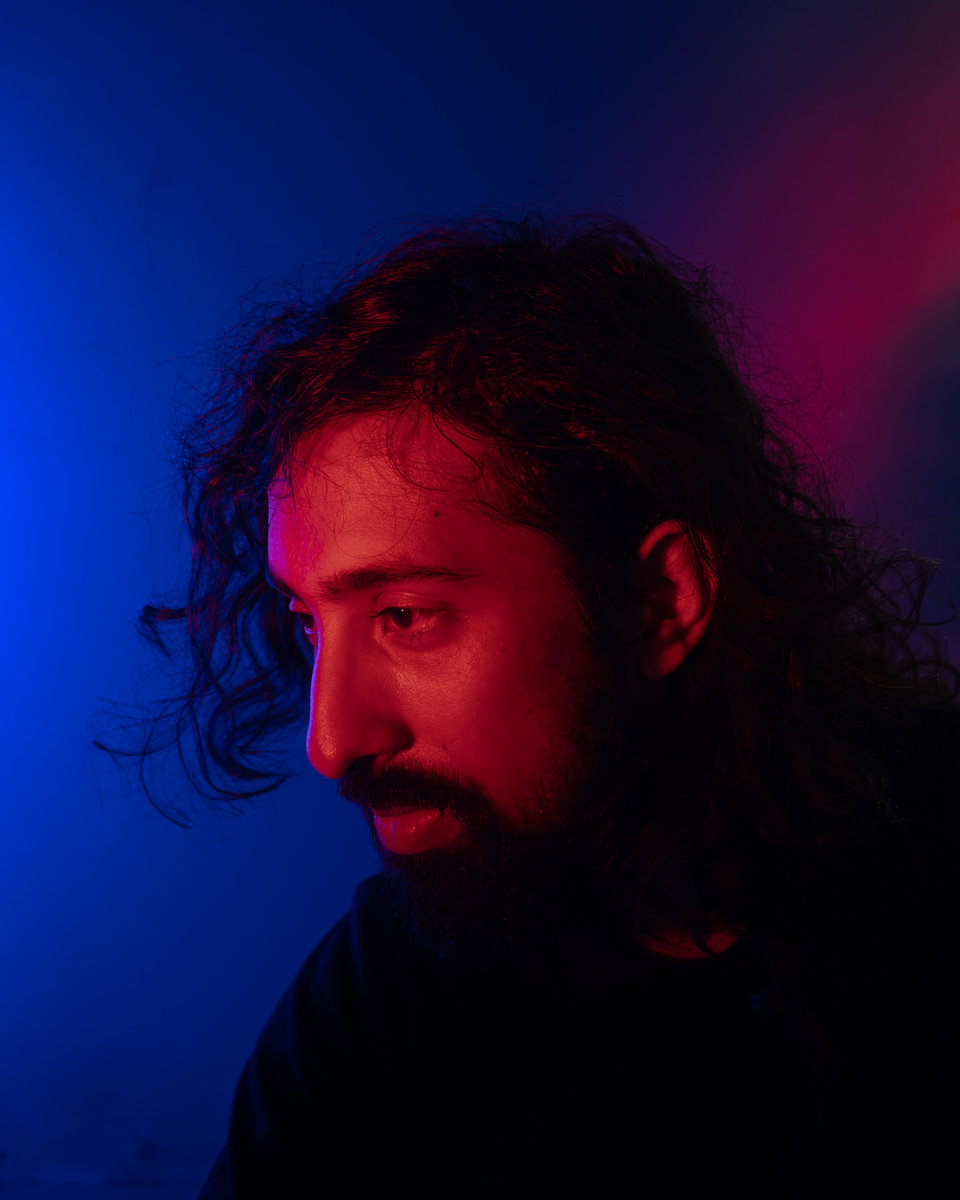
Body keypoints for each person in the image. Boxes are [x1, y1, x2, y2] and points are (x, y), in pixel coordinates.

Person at [110, 213, 959, 1196]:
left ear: (657, 602)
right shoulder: (380, 1007)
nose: (331, 741)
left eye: (405, 615)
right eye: (308, 623)